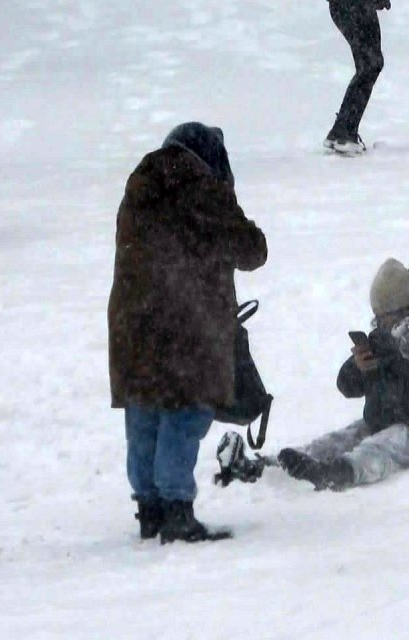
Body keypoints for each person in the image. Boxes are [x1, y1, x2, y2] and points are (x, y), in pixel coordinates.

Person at [108, 123, 267, 544]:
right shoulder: (203, 189)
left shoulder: (139, 185)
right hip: (186, 322)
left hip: (133, 320)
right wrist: (230, 202)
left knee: (145, 408)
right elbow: (251, 249)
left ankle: (150, 508)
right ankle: (177, 509)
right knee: (186, 409)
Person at [216, 259, 409, 491]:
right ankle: (271, 467)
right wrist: (358, 368)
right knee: (342, 438)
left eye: (390, 318)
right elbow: (346, 385)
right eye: (380, 319)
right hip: (388, 419)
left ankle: (342, 472)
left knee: (390, 443)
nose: (384, 325)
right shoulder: (385, 337)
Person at [323, 0, 391, 156]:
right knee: (370, 64)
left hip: (345, 6)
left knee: (370, 64)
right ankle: (343, 132)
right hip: (354, 5)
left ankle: (342, 130)